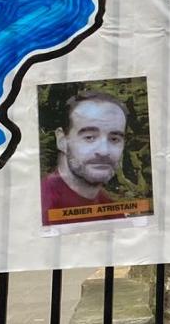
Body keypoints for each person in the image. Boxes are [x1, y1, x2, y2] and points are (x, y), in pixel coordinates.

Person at [41, 90, 129, 225]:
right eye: (89, 137)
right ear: (62, 140)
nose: (104, 151)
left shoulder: (112, 212)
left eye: (114, 139)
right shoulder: (40, 210)